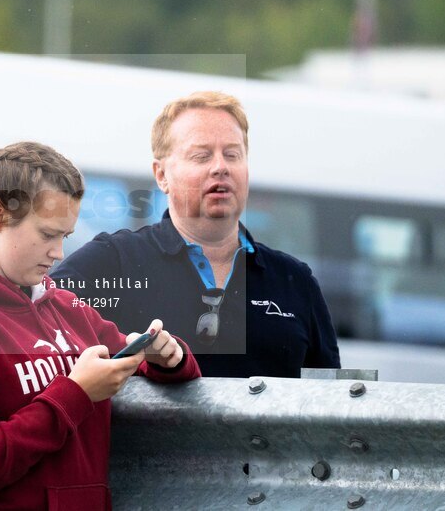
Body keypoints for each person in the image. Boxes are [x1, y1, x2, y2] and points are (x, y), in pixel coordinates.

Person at [0, 141, 200, 510]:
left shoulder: (63, 306)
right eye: (47, 234)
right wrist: (76, 393)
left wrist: (167, 356)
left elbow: (141, 363)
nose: (59, 253)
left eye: (64, 237)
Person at [51, 92, 340, 378]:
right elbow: (30, 323)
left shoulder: (295, 281)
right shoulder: (114, 261)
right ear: (162, 175)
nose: (220, 167)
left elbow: (332, 403)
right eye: (201, 156)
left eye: (232, 154)